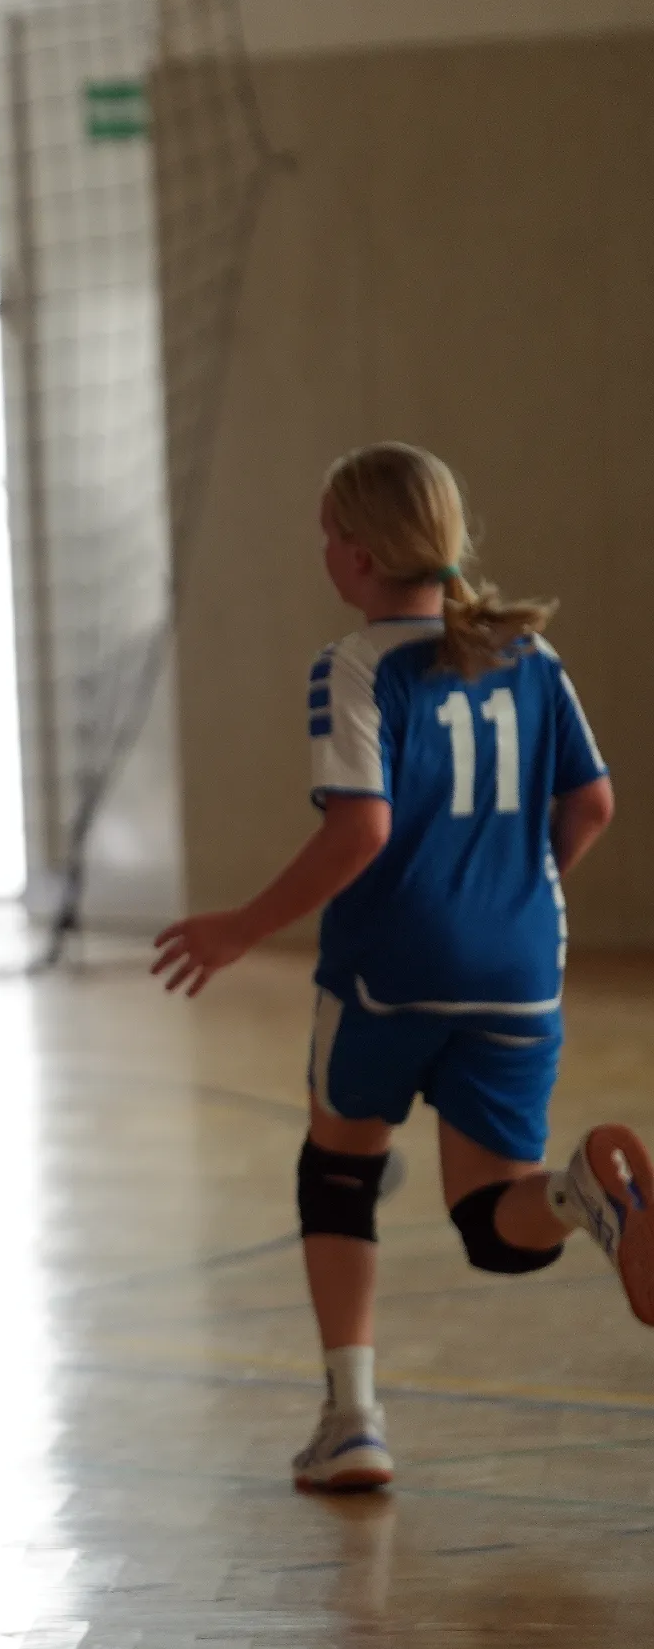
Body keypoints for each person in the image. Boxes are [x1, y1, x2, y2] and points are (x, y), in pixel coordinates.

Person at [153, 443, 641, 1494]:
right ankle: (578, 1197)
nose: (322, 548)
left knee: (339, 1169)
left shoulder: (358, 665)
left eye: (327, 532)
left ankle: (354, 1420)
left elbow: (361, 829)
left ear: (362, 553)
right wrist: (510, 891)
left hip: (389, 970)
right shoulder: (531, 656)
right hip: (519, 967)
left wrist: (242, 927)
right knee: (496, 1221)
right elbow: (593, 803)